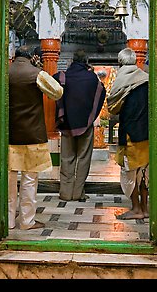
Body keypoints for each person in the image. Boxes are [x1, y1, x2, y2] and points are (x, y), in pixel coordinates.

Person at [8, 45, 63, 230]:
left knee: (8, 181)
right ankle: (27, 221)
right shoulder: (36, 74)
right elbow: (57, 92)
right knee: (29, 181)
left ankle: (7, 221)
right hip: (32, 135)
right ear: (32, 57)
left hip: (8, 135)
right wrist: (40, 69)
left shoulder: (3, 72)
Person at [53, 50, 106, 202]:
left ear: (72, 60)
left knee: (66, 158)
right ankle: (78, 193)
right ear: (86, 61)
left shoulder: (63, 76)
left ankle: (65, 193)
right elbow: (101, 91)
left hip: (67, 123)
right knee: (83, 158)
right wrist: (91, 116)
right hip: (85, 124)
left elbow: (50, 82)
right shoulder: (91, 78)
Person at [106, 47, 149, 219]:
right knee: (145, 172)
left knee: (129, 173)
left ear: (120, 62)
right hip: (147, 134)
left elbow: (112, 107)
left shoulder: (121, 79)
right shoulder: (146, 79)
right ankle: (145, 209)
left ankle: (136, 209)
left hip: (130, 135)